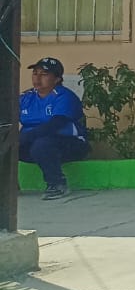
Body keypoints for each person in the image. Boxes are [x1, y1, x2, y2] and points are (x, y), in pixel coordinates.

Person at [19, 57, 88, 200]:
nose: (37, 78)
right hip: (34, 143)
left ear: (57, 79)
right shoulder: (26, 97)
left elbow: (55, 125)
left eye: (44, 74)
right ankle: (7, 186)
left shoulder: (64, 96)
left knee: (41, 144)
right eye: (35, 73)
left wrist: (23, 138)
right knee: (6, 143)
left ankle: (57, 184)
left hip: (70, 144)